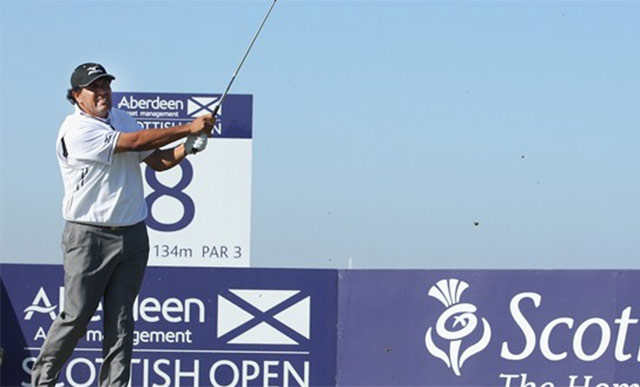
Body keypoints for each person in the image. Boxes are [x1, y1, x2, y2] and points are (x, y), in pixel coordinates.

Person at [31, 63, 213, 386]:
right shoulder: (76, 130)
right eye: (94, 87)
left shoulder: (122, 119)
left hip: (132, 235)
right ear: (77, 96)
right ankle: (42, 380)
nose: (103, 92)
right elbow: (132, 143)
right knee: (76, 317)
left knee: (121, 322)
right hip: (88, 237)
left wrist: (190, 145)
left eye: (106, 85)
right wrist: (189, 126)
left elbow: (157, 161)